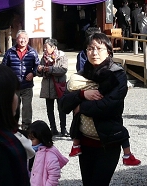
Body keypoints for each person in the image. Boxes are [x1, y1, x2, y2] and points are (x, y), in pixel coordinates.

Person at [60, 32, 131, 185]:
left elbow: (109, 106)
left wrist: (80, 107)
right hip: (85, 142)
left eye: (99, 48)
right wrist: (82, 94)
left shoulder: (117, 75)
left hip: (108, 141)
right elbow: (63, 105)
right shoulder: (80, 75)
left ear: (109, 52)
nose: (94, 52)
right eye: (90, 48)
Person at [3, 30, 40, 131]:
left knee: (27, 107)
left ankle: (26, 127)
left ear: (28, 40)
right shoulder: (10, 52)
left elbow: (38, 66)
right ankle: (13, 126)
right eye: (20, 38)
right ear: (16, 39)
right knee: (14, 107)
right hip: (14, 86)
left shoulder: (32, 52)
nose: (22, 40)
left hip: (27, 85)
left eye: (25, 39)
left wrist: (33, 73)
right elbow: (4, 67)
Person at [37, 38, 67, 136]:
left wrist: (49, 69)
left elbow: (63, 70)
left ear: (53, 47)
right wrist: (39, 70)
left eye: (46, 47)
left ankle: (63, 128)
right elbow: (40, 74)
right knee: (50, 109)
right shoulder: (44, 57)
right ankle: (53, 128)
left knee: (61, 108)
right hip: (48, 86)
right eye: (44, 48)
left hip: (58, 85)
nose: (45, 50)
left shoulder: (61, 56)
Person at [28, 120, 69, 186]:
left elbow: (53, 177)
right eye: (28, 138)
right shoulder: (32, 151)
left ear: (41, 138)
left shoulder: (50, 155)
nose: (29, 141)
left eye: (32, 139)